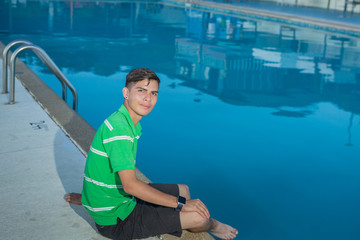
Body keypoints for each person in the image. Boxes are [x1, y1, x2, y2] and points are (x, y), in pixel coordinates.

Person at [65, 68, 238, 240]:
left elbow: (105, 171)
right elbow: (130, 186)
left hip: (117, 200)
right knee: (198, 217)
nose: (148, 98)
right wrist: (181, 205)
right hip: (116, 221)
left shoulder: (124, 120)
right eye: (141, 91)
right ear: (126, 92)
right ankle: (215, 226)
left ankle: (174, 220)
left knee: (183, 190)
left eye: (154, 93)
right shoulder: (120, 131)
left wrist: (88, 198)